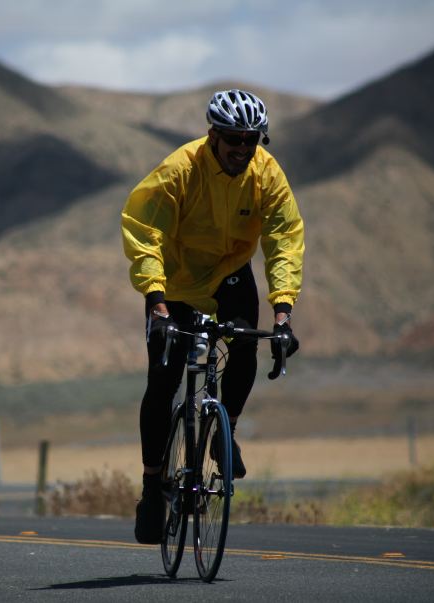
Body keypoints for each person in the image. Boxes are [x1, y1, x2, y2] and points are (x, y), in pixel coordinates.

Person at [120, 89, 305, 544]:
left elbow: (284, 239)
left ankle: (226, 433)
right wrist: (157, 304)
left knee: (245, 343)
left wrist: (283, 314)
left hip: (229, 275)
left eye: (252, 139)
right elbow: (146, 232)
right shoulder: (181, 169)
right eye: (234, 139)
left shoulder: (266, 174)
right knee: (163, 379)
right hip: (177, 282)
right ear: (214, 135)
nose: (243, 148)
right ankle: (152, 486)